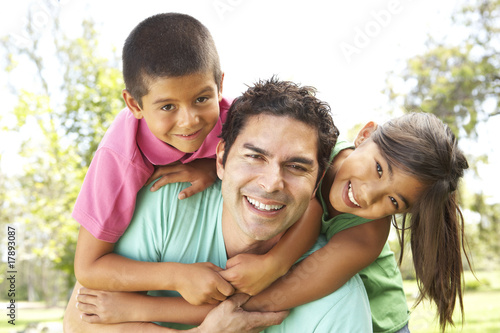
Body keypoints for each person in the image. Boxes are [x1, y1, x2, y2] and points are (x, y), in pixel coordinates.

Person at [63, 78, 373, 332]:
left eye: (296, 167)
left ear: (318, 181)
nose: (271, 183)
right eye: (254, 157)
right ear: (220, 159)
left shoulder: (337, 302)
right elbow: (78, 324)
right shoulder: (164, 204)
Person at [73, 12, 319, 304]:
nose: (189, 121)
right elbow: (88, 268)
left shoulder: (241, 123)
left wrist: (276, 263)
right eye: (167, 107)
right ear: (134, 104)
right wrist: (177, 276)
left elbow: (310, 202)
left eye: (202, 99)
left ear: (220, 86)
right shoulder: (118, 160)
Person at [243, 112, 471, 333]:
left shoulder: (367, 235)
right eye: (379, 169)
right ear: (365, 135)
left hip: (376, 324)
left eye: (393, 200)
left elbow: (276, 298)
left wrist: (213, 313)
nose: (368, 195)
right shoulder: (314, 148)